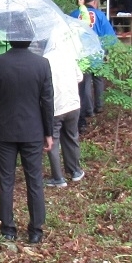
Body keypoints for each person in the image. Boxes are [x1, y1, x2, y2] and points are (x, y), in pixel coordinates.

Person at [0, 31, 54, 244]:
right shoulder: (42, 64)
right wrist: (48, 132)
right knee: (34, 179)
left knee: (6, 179)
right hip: (33, 129)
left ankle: (8, 227)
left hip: (4, 129)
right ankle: (35, 229)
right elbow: (47, 100)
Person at [43, 35, 84, 188]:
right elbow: (79, 77)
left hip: (55, 106)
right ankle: (75, 171)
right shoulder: (69, 56)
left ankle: (58, 177)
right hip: (73, 104)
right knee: (72, 136)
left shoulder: (45, 60)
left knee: (53, 140)